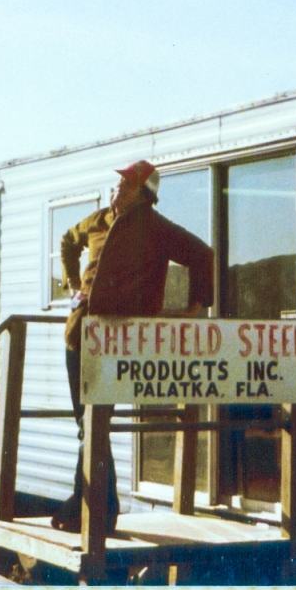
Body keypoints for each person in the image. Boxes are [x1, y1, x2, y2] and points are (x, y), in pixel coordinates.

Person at [50, 159, 214, 533]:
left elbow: (202, 255)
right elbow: (67, 242)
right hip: (79, 335)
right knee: (87, 424)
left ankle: (92, 508)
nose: (117, 191)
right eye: (117, 185)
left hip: (119, 339)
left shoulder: (155, 228)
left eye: (126, 186)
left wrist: (194, 306)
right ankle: (97, 505)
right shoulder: (99, 220)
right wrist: (72, 284)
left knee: (95, 423)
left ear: (144, 194)